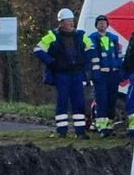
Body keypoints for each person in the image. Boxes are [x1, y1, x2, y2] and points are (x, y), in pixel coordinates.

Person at [33, 8, 92, 138]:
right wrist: (51, 62)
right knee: (62, 102)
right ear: (61, 22)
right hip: (61, 74)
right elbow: (38, 49)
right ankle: (62, 131)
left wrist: (85, 66)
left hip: (76, 73)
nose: (71, 23)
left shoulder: (81, 35)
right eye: (68, 21)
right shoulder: (53, 36)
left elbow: (90, 49)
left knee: (79, 103)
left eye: (72, 21)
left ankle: (80, 132)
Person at [88, 14, 123, 137]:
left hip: (113, 74)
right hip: (100, 75)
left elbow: (118, 55)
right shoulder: (92, 38)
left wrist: (120, 71)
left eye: (104, 22)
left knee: (111, 101)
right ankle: (102, 128)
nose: (102, 24)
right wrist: (95, 74)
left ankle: (109, 126)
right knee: (101, 100)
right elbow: (92, 57)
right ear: (96, 25)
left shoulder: (114, 38)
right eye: (99, 23)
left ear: (107, 25)